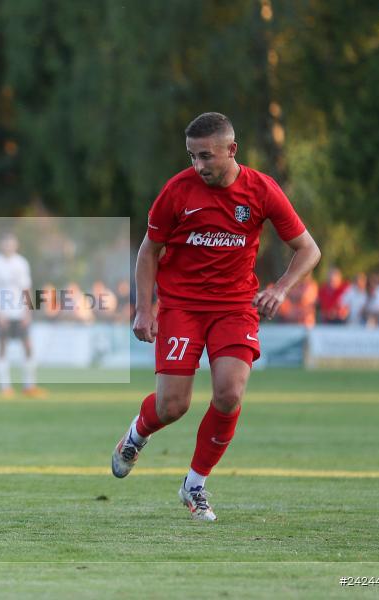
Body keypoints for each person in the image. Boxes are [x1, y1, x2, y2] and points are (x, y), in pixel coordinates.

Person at [110, 112, 321, 521]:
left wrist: (279, 288)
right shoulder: (177, 191)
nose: (199, 166)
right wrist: (143, 307)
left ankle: (194, 485)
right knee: (173, 406)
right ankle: (136, 435)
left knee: (229, 394)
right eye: (192, 156)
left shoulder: (262, 190)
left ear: (231, 150)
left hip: (234, 308)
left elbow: (308, 249)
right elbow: (148, 250)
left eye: (206, 156)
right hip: (182, 307)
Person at [0, 233, 47, 398]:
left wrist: (28, 312)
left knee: (27, 346)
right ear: (0, 245)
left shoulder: (21, 262)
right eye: (5, 243)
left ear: (16, 245)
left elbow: (26, 289)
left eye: (11, 243)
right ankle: (5, 388)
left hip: (19, 312)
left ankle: (29, 386)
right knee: (2, 346)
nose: (8, 246)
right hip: (2, 314)